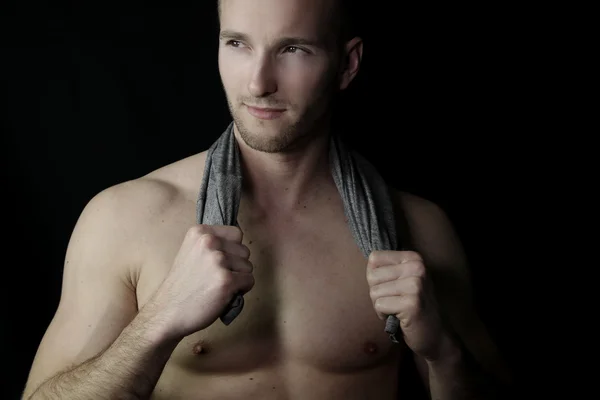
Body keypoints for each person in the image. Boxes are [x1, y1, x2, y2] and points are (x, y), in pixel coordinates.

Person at [22, 0, 513, 398]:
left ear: (348, 64)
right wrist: (158, 321)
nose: (258, 82)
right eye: (237, 43)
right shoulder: (125, 218)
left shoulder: (418, 231)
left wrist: (442, 352)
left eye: (293, 49)